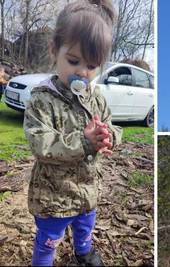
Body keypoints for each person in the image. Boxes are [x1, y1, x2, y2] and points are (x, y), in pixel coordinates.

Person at [23, 1, 122, 266]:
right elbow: (40, 143)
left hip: (87, 192)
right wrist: (84, 142)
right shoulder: (43, 100)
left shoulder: (96, 99)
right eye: (74, 61)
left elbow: (113, 125)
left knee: (85, 228)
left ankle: (83, 253)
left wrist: (108, 136)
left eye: (92, 66)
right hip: (53, 198)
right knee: (48, 242)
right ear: (54, 50)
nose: (83, 72)